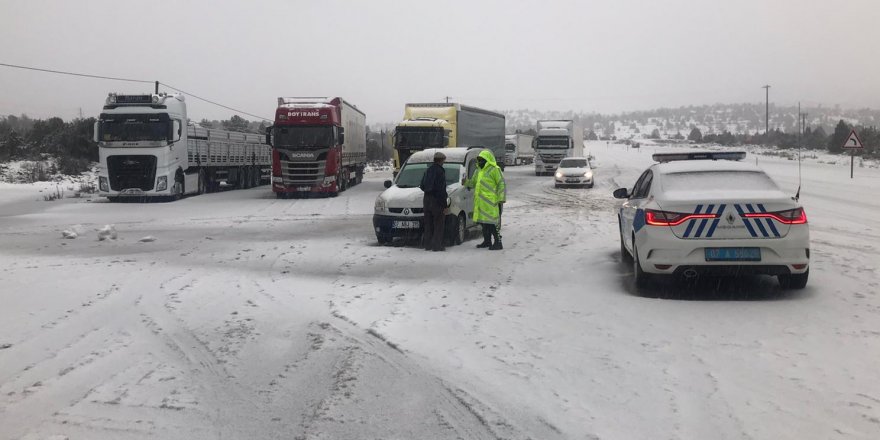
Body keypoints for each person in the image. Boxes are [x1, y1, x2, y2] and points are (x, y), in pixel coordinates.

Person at [463, 150, 506, 250]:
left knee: (492, 223)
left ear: (487, 160)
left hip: (491, 202)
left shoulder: (495, 169)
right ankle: (487, 241)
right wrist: (465, 182)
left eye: (482, 160)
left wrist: (501, 198)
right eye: (479, 160)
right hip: (480, 202)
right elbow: (473, 183)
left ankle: (498, 242)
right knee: (484, 223)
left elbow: (501, 184)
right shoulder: (478, 171)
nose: (480, 162)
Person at [419, 151, 448, 251]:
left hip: (426, 199)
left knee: (428, 223)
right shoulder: (440, 171)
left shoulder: (428, 170)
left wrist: (428, 192)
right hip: (436, 200)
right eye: (444, 160)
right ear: (441, 160)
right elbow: (441, 189)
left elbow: (422, 185)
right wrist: (444, 204)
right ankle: (437, 245)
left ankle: (428, 244)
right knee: (438, 223)